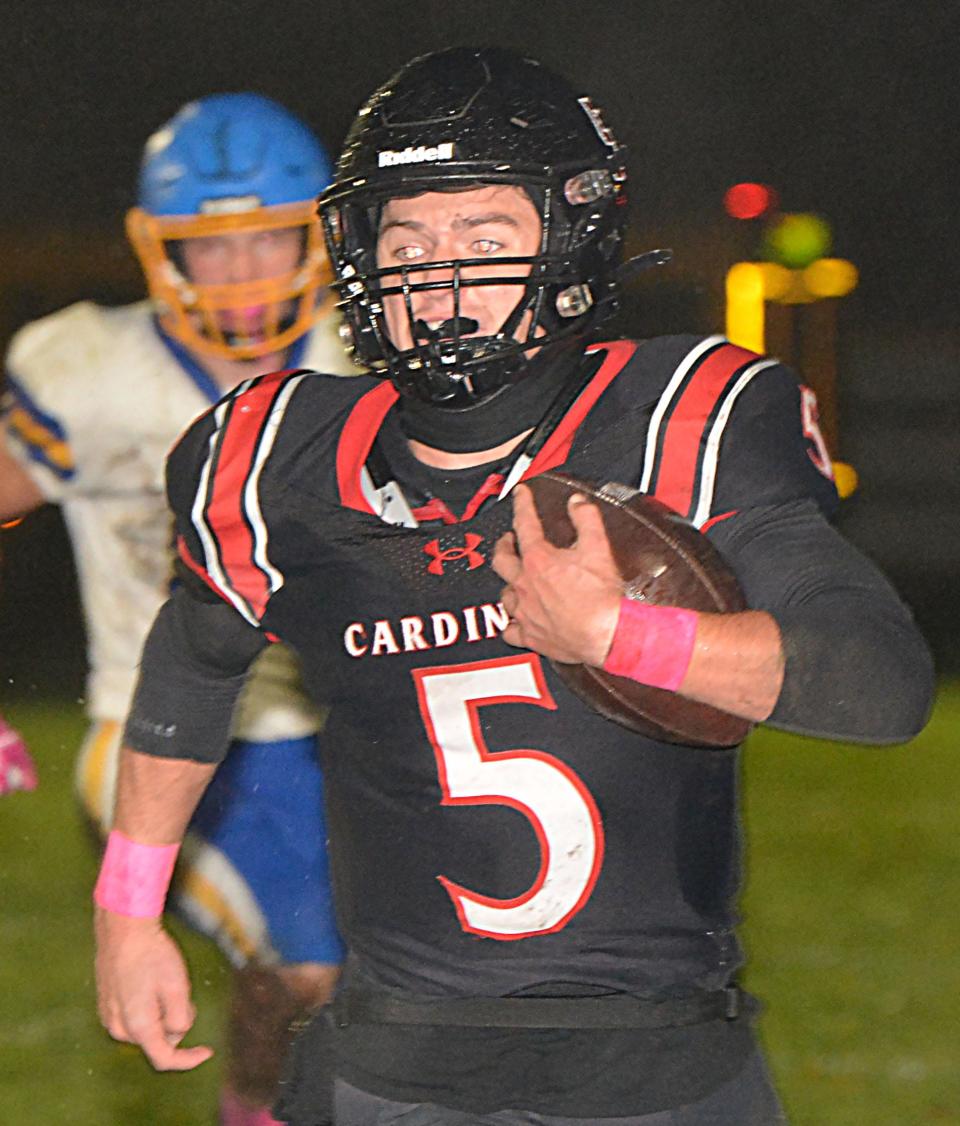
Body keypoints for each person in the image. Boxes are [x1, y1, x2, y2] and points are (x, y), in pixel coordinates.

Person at [92, 49, 934, 1125]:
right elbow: (193, 659)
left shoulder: (684, 418)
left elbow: (881, 681)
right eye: (408, 240)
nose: (438, 278)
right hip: (389, 1059)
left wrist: (622, 635)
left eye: (484, 240)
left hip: (654, 1057)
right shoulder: (271, 456)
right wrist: (126, 909)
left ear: (571, 240)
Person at [1, 93, 355, 1125]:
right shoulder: (90, 372)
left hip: (351, 731)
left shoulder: (372, 359)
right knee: (308, 970)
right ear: (163, 253)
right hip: (156, 732)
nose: (242, 272)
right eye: (213, 246)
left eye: (267, 239)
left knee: (414, 985)